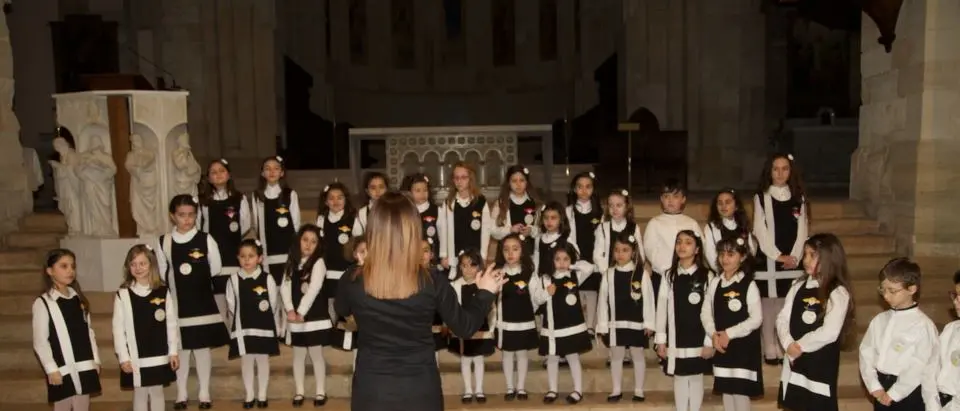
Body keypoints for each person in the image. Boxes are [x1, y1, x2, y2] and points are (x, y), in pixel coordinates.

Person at [335, 191, 506, 411]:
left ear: (373, 230)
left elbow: (341, 309)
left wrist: (362, 269)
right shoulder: (432, 279)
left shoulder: (352, 278)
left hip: (372, 389)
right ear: (413, 229)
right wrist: (484, 293)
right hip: (420, 389)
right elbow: (465, 327)